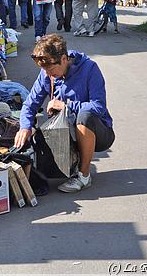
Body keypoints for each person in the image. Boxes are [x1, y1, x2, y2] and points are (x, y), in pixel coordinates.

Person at [14, 34, 115, 193]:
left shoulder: (90, 69)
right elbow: (30, 104)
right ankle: (71, 163)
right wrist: (25, 127)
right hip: (67, 132)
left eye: (51, 70)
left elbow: (98, 107)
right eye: (45, 71)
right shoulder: (48, 73)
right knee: (30, 131)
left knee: (85, 116)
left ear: (63, 59)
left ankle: (83, 176)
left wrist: (66, 106)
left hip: (100, 132)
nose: (48, 74)